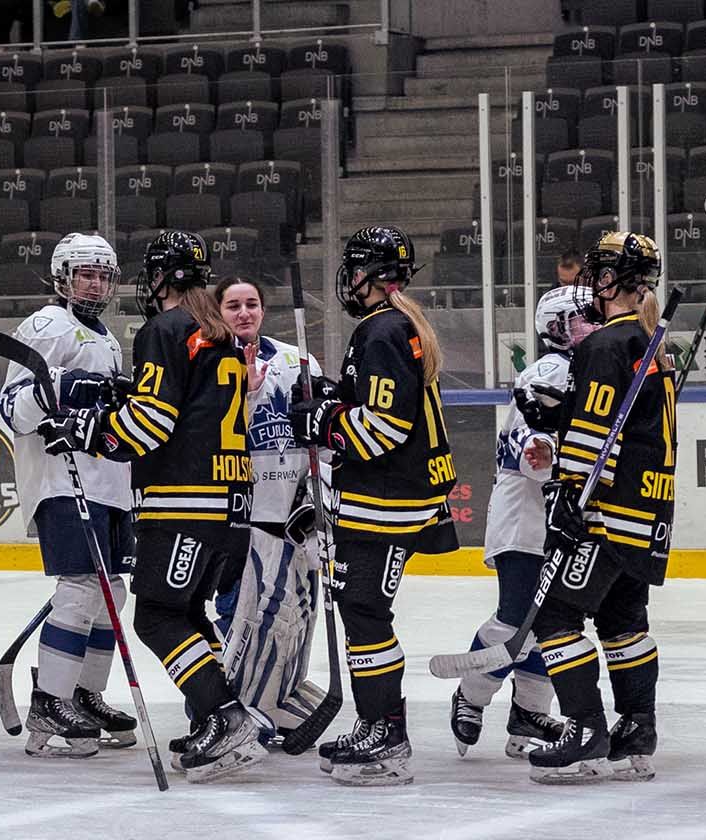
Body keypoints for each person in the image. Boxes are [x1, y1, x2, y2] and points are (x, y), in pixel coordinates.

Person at [41, 231, 262, 783]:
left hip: (185, 502)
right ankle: (219, 713)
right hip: (232, 503)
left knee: (158, 615)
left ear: (160, 278)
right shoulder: (220, 334)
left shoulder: (166, 328)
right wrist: (126, 397)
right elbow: (180, 404)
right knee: (185, 613)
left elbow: (151, 425)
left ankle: (224, 715)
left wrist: (87, 430)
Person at [293, 227, 457, 786]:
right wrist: (337, 396)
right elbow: (381, 403)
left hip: (385, 503)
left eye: (354, 268)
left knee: (365, 614)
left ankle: (385, 731)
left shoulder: (382, 328)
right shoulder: (398, 324)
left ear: (365, 273)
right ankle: (379, 725)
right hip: (398, 500)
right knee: (366, 613)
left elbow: (385, 426)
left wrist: (323, 422)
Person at [525, 231, 675, 784]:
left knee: (556, 616)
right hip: (649, 512)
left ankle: (585, 729)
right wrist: (563, 413)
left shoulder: (605, 344)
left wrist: (569, 496)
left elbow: (596, 439)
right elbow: (628, 428)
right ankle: (637, 727)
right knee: (621, 621)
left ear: (611, 279)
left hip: (606, 513)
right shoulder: (651, 342)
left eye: (596, 273)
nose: (589, 282)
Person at [0, 233, 138, 758]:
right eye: (85, 273)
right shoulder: (48, 325)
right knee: (79, 591)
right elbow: (13, 406)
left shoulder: (109, 338)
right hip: (62, 483)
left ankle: (83, 694)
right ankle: (49, 702)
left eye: (103, 274)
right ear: (62, 276)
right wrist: (59, 389)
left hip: (108, 483)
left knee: (110, 594)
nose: (95, 283)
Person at [449, 286, 594, 758]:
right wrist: (550, 452)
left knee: (552, 621)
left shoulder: (592, 368)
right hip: (526, 512)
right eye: (581, 317)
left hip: (563, 513)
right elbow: (532, 451)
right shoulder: (552, 370)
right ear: (557, 327)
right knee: (517, 617)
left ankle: (529, 711)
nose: (591, 323)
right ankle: (471, 696)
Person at [207, 275, 328, 744]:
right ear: (219, 311)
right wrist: (244, 390)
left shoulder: (298, 360)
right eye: (233, 305)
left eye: (252, 304)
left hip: (292, 510)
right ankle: (226, 704)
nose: (244, 313)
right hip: (239, 511)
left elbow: (319, 433)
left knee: (293, 613)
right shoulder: (212, 362)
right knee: (242, 611)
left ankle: (275, 695)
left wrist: (317, 497)